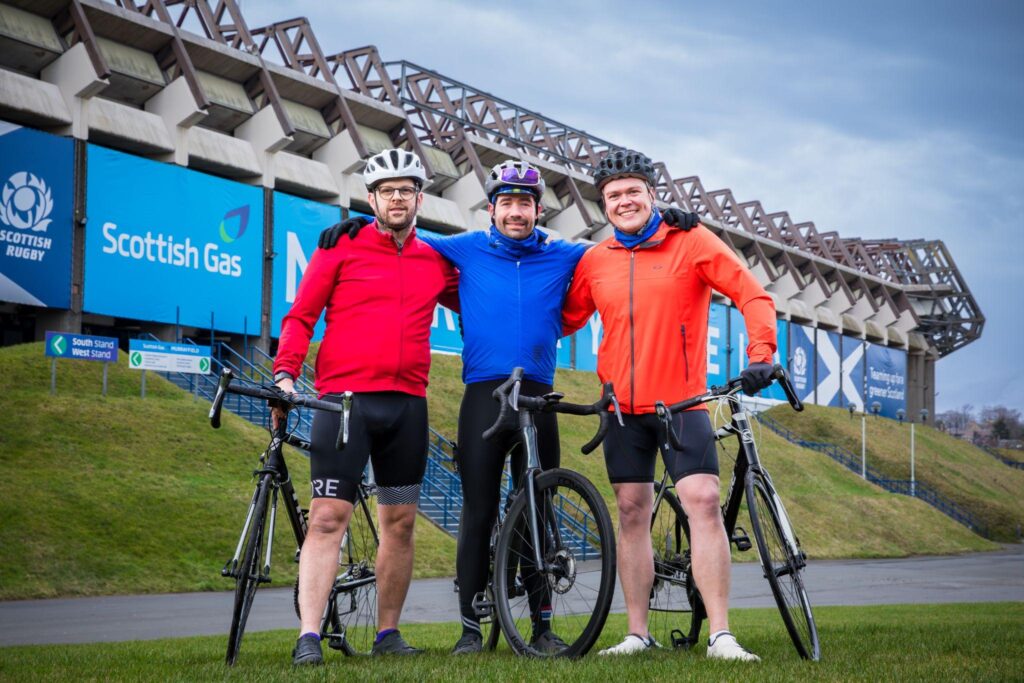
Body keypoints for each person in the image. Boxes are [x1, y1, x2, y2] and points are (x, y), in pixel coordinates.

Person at [319, 159, 699, 656]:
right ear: (491, 210)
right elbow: (401, 235)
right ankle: (470, 629)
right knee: (478, 509)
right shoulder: (462, 248)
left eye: (525, 203)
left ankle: (541, 624)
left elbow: (618, 247)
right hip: (484, 395)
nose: (515, 212)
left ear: (538, 210)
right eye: (506, 203)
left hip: (539, 393)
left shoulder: (565, 256)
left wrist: (667, 219)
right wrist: (356, 226)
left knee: (538, 506)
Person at [562, 150, 777, 661]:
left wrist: (761, 353)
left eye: (633, 191)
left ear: (652, 196)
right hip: (621, 410)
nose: (624, 201)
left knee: (702, 502)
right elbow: (564, 317)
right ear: (603, 205)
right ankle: (638, 632)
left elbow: (752, 294)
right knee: (631, 512)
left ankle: (721, 635)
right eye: (613, 195)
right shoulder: (595, 260)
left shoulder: (692, 241)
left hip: (682, 403)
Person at [272, 148, 459, 665]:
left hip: (407, 406)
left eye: (406, 190)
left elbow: (484, 291)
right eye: (386, 191)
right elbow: (302, 315)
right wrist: (286, 373)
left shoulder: (435, 261)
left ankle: (388, 634)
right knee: (328, 517)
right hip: (344, 403)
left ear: (420, 198)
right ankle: (309, 635)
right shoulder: (340, 247)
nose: (397, 198)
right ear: (371, 198)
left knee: (400, 521)